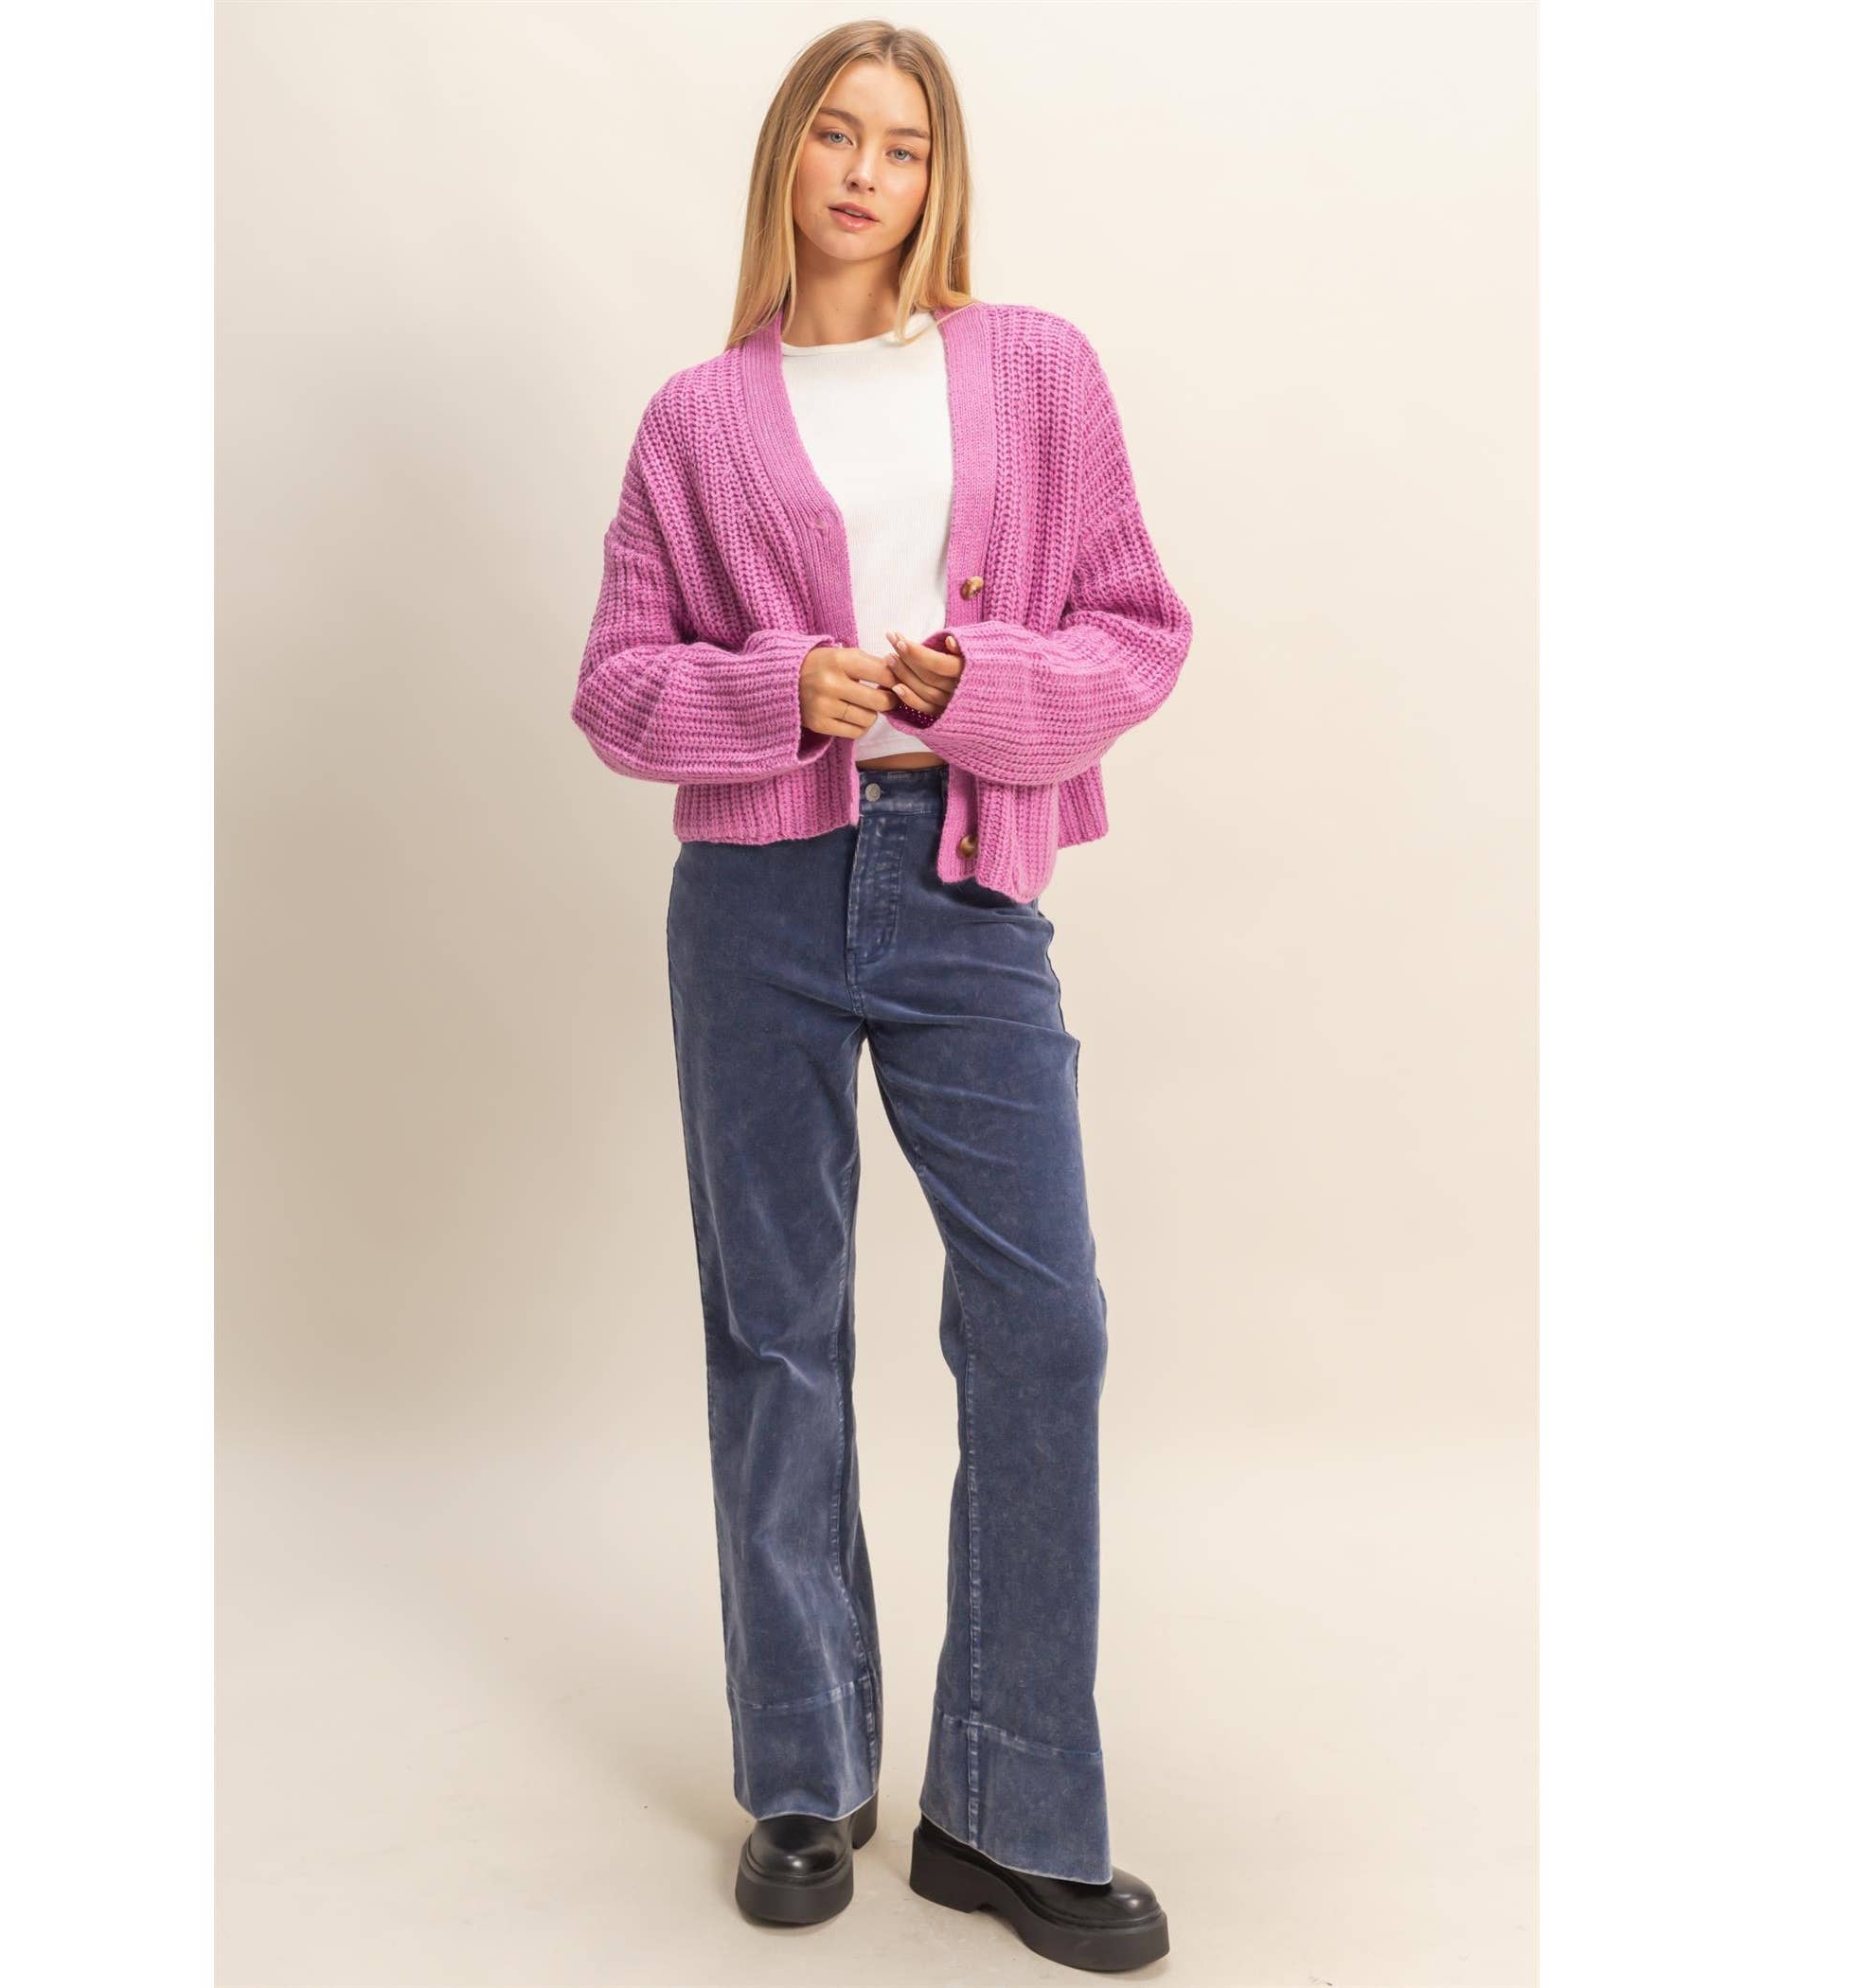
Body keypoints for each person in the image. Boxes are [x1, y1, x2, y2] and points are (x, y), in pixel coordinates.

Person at [571, 20, 1191, 1974]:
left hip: (964, 879)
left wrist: (977, 687)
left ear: (942, 177)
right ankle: (805, 1774)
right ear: (787, 157)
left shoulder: (1034, 369)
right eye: (836, 134)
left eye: (903, 145)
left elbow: (1138, 628)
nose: (865, 171)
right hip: (753, 894)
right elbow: (618, 684)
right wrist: (783, 691)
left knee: (1043, 1325)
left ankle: (1009, 1810)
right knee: (776, 1331)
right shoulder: (697, 417)